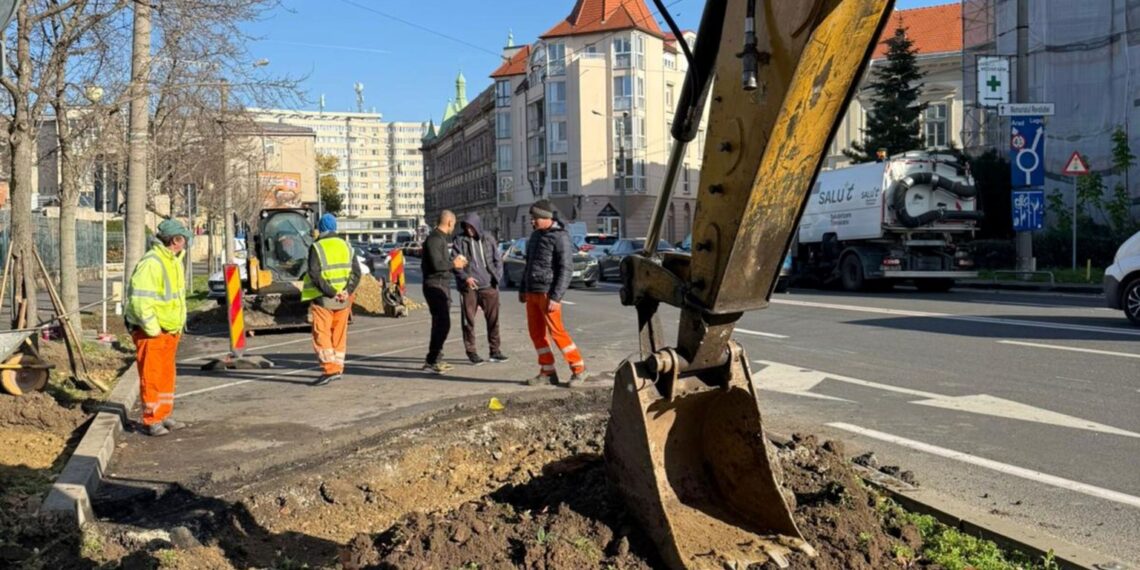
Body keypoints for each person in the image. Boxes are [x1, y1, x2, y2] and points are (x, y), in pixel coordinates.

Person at [125, 219, 193, 436]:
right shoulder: (152, 263)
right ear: (176, 240)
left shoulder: (172, 261)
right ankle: (152, 419)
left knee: (165, 375)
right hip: (153, 332)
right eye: (184, 239)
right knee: (152, 375)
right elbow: (140, 301)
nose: (186, 244)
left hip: (168, 330)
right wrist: (153, 329)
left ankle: (163, 414)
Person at [520, 200, 590, 387]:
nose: (532, 222)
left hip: (548, 293)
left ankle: (579, 369)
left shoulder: (560, 237)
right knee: (537, 334)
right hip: (533, 292)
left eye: (534, 218)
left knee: (558, 333)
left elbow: (566, 269)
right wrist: (523, 289)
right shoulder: (535, 236)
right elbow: (529, 265)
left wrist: (556, 297)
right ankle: (548, 371)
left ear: (546, 218)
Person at [302, 213, 362, 386]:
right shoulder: (347, 246)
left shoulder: (317, 247)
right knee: (339, 335)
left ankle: (329, 369)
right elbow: (356, 273)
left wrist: (331, 292)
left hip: (324, 299)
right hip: (344, 300)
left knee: (322, 333)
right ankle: (338, 367)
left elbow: (314, 273)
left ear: (320, 229)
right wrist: (346, 291)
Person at [452, 212, 508, 365]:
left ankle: (495, 351)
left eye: (472, 227)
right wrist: (466, 278)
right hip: (469, 288)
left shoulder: (488, 238)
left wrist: (497, 276)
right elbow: (456, 264)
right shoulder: (459, 240)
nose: (469, 230)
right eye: (467, 227)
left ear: (477, 226)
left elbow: (498, 260)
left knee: (493, 320)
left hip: (489, 286)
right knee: (468, 321)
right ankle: (472, 352)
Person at [421, 210, 467, 374]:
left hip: (441, 284)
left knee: (440, 323)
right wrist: (454, 264)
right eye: (453, 224)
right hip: (435, 285)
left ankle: (435, 357)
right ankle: (432, 359)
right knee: (443, 324)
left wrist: (455, 263)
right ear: (449, 222)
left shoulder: (439, 238)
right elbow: (437, 264)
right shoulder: (435, 239)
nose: (453, 227)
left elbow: (441, 262)